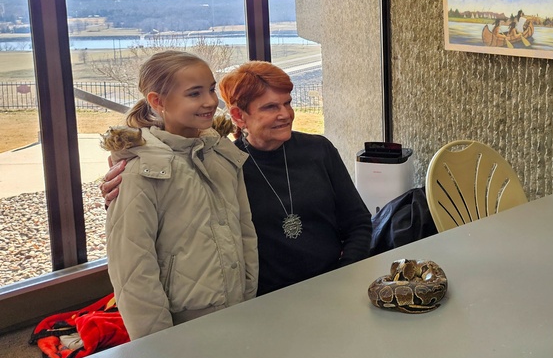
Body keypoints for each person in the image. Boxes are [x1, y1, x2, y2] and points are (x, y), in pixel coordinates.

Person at [104, 61, 372, 296]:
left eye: (287, 103)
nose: (285, 114)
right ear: (238, 116)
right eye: (270, 107)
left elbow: (358, 222)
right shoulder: (224, 162)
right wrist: (120, 195)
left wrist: (345, 272)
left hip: (334, 286)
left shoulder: (319, 150)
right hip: (261, 302)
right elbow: (179, 216)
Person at [102, 50, 257, 340]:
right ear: (157, 101)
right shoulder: (140, 172)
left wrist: (248, 291)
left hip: (236, 309)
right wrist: (157, 343)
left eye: (211, 89)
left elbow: (244, 229)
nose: (210, 101)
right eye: (194, 93)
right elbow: (133, 271)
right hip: (183, 324)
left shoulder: (221, 153)